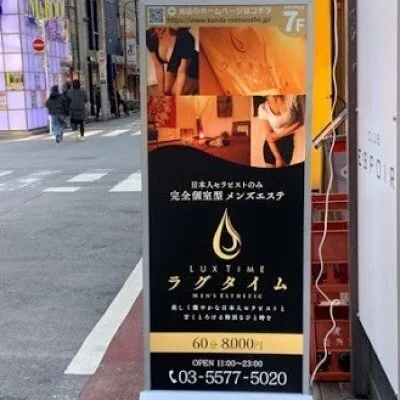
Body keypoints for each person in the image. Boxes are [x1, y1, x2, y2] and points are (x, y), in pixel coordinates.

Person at [146, 27, 199, 95]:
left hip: (194, 65)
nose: (156, 29)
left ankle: (201, 81)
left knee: (174, 92)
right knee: (165, 90)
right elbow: (158, 66)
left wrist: (178, 98)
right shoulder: (149, 35)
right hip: (174, 65)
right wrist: (161, 93)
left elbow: (182, 72)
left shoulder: (186, 38)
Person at [257, 95, 304, 168]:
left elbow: (300, 121)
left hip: (287, 144)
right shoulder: (262, 108)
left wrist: (279, 135)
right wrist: (278, 157)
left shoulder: (292, 97)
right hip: (272, 147)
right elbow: (269, 137)